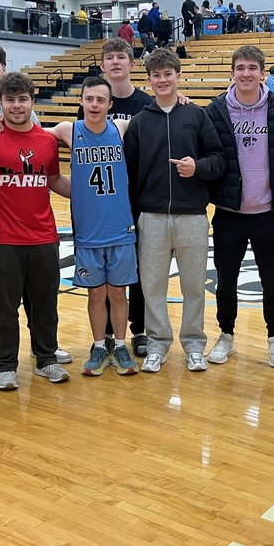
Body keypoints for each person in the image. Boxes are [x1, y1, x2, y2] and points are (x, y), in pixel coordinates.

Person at [0, 43, 71, 377]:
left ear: (32, 101)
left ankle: (44, 352)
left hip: (39, 234)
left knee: (43, 301)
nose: (16, 105)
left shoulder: (45, 139)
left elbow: (53, 179)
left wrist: (91, 196)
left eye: (23, 99)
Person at [123, 49, 224, 372]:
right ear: (149, 79)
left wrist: (199, 167)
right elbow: (130, 173)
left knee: (194, 286)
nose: (162, 79)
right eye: (156, 75)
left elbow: (218, 159)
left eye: (168, 73)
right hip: (151, 218)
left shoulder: (196, 115)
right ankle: (157, 345)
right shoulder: (140, 122)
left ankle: (194, 345)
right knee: (152, 288)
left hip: (192, 215)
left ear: (178, 76)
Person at [205, 45, 274, 369]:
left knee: (273, 280)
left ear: (262, 73)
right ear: (232, 72)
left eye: (252, 68)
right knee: (226, 281)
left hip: (268, 214)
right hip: (229, 214)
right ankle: (226, 335)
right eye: (240, 67)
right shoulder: (215, 111)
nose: (246, 73)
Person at [47, 77, 140, 377]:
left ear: (111, 105)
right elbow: (24, 133)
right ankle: (100, 344)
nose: (95, 105)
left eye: (101, 100)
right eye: (90, 99)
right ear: (81, 101)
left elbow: (158, 117)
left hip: (121, 229)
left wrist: (182, 100)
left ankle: (122, 344)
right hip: (88, 231)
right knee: (96, 294)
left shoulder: (121, 128)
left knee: (118, 293)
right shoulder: (68, 131)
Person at [76, 37, 153, 357]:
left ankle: (138, 330)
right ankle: (106, 334)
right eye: (111, 58)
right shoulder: (93, 106)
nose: (117, 63)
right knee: (102, 280)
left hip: (138, 196)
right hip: (104, 200)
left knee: (133, 270)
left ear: (132, 64)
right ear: (103, 65)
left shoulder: (147, 103)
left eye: (123, 57)